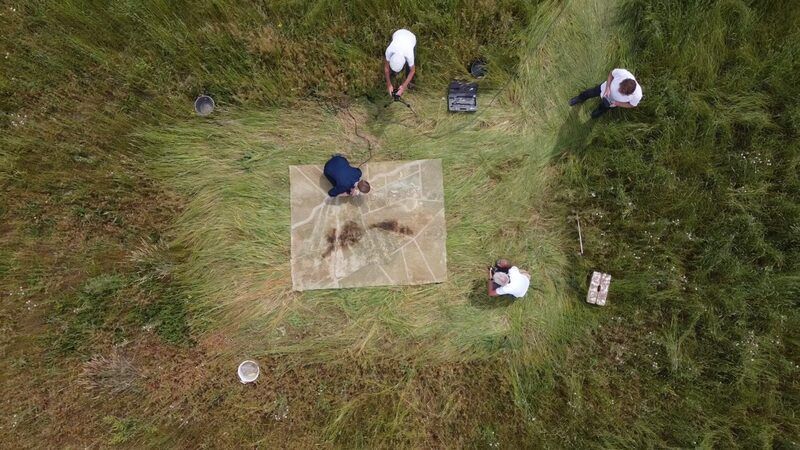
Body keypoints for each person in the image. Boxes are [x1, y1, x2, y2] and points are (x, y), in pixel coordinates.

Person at [568, 68, 643, 118]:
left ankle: (596, 113)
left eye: (622, 92)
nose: (619, 91)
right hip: (604, 89)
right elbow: (611, 74)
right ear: (623, 81)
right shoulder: (623, 73)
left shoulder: (637, 95)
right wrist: (607, 87)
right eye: (621, 88)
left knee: (603, 108)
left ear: (629, 94)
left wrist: (617, 103)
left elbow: (632, 105)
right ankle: (580, 98)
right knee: (589, 93)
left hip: (612, 102)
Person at [384, 28, 417, 98]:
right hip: (397, 34)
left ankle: (409, 84)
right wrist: (389, 84)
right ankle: (392, 76)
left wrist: (403, 87)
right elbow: (386, 68)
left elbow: (412, 70)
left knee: (409, 67)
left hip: (411, 38)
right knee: (391, 72)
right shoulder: (389, 50)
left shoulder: (409, 54)